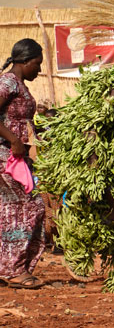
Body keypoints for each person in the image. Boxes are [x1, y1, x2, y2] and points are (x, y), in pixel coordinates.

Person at [0, 38, 45, 289]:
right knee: (26, 209)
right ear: (25, 61)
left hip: (18, 157)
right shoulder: (7, 82)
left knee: (15, 211)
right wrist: (14, 140)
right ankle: (14, 269)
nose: (39, 70)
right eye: (37, 64)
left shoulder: (20, 85)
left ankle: (13, 267)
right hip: (5, 156)